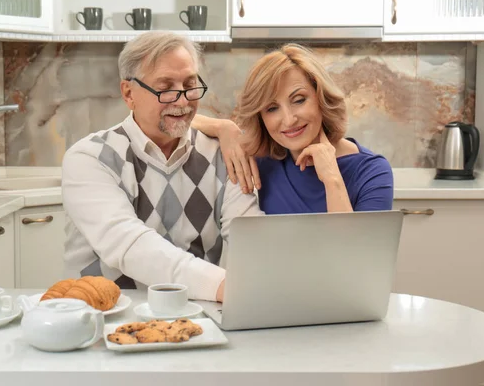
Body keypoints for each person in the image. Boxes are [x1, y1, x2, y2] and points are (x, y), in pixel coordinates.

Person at [61, 31, 263, 303]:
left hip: (193, 319)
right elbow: (129, 245)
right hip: (104, 318)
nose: (182, 101)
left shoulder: (225, 155)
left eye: (190, 85)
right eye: (166, 88)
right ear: (129, 93)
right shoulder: (90, 158)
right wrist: (225, 286)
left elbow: (251, 239)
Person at [192, 43, 393, 214]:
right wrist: (222, 127)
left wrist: (332, 179)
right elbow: (172, 119)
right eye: (272, 108)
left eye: (299, 100)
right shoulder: (262, 162)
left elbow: (357, 257)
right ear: (260, 117)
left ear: (320, 97)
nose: (288, 120)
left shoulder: (371, 172)